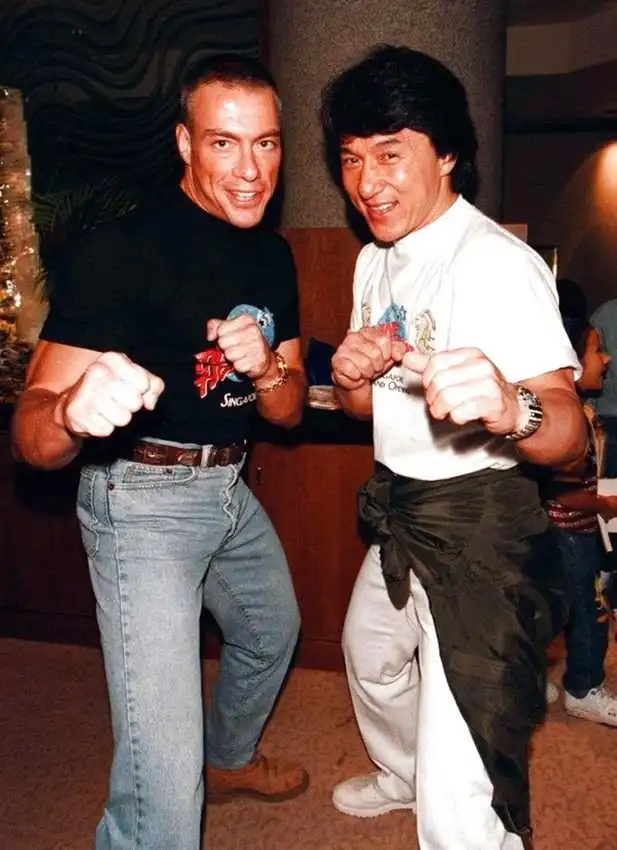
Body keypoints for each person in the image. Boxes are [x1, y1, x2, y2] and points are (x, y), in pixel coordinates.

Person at [12, 54, 309, 850]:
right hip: (140, 499)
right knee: (163, 801)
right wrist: (70, 412)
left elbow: (285, 412)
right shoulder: (124, 249)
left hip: (227, 488)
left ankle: (229, 759)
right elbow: (30, 437)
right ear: (184, 143)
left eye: (266, 144)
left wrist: (267, 368)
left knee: (271, 630)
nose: (250, 170)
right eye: (223, 143)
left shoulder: (272, 256)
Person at [321, 45, 587, 850]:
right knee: (369, 657)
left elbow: (570, 435)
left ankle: (450, 806)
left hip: (482, 525)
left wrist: (512, 408)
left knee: (458, 800)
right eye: (350, 159)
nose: (366, 182)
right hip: (401, 506)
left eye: (389, 154)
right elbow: (366, 405)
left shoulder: (495, 264)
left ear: (445, 154)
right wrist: (351, 374)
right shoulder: (373, 258)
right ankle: (400, 772)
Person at [542, 281, 617, 724]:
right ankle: (584, 688)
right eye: (596, 350)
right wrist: (604, 505)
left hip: (577, 531)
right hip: (569, 534)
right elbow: (559, 490)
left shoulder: (582, 410)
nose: (606, 359)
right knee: (589, 612)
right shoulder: (566, 421)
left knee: (556, 609)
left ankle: (531, 679)